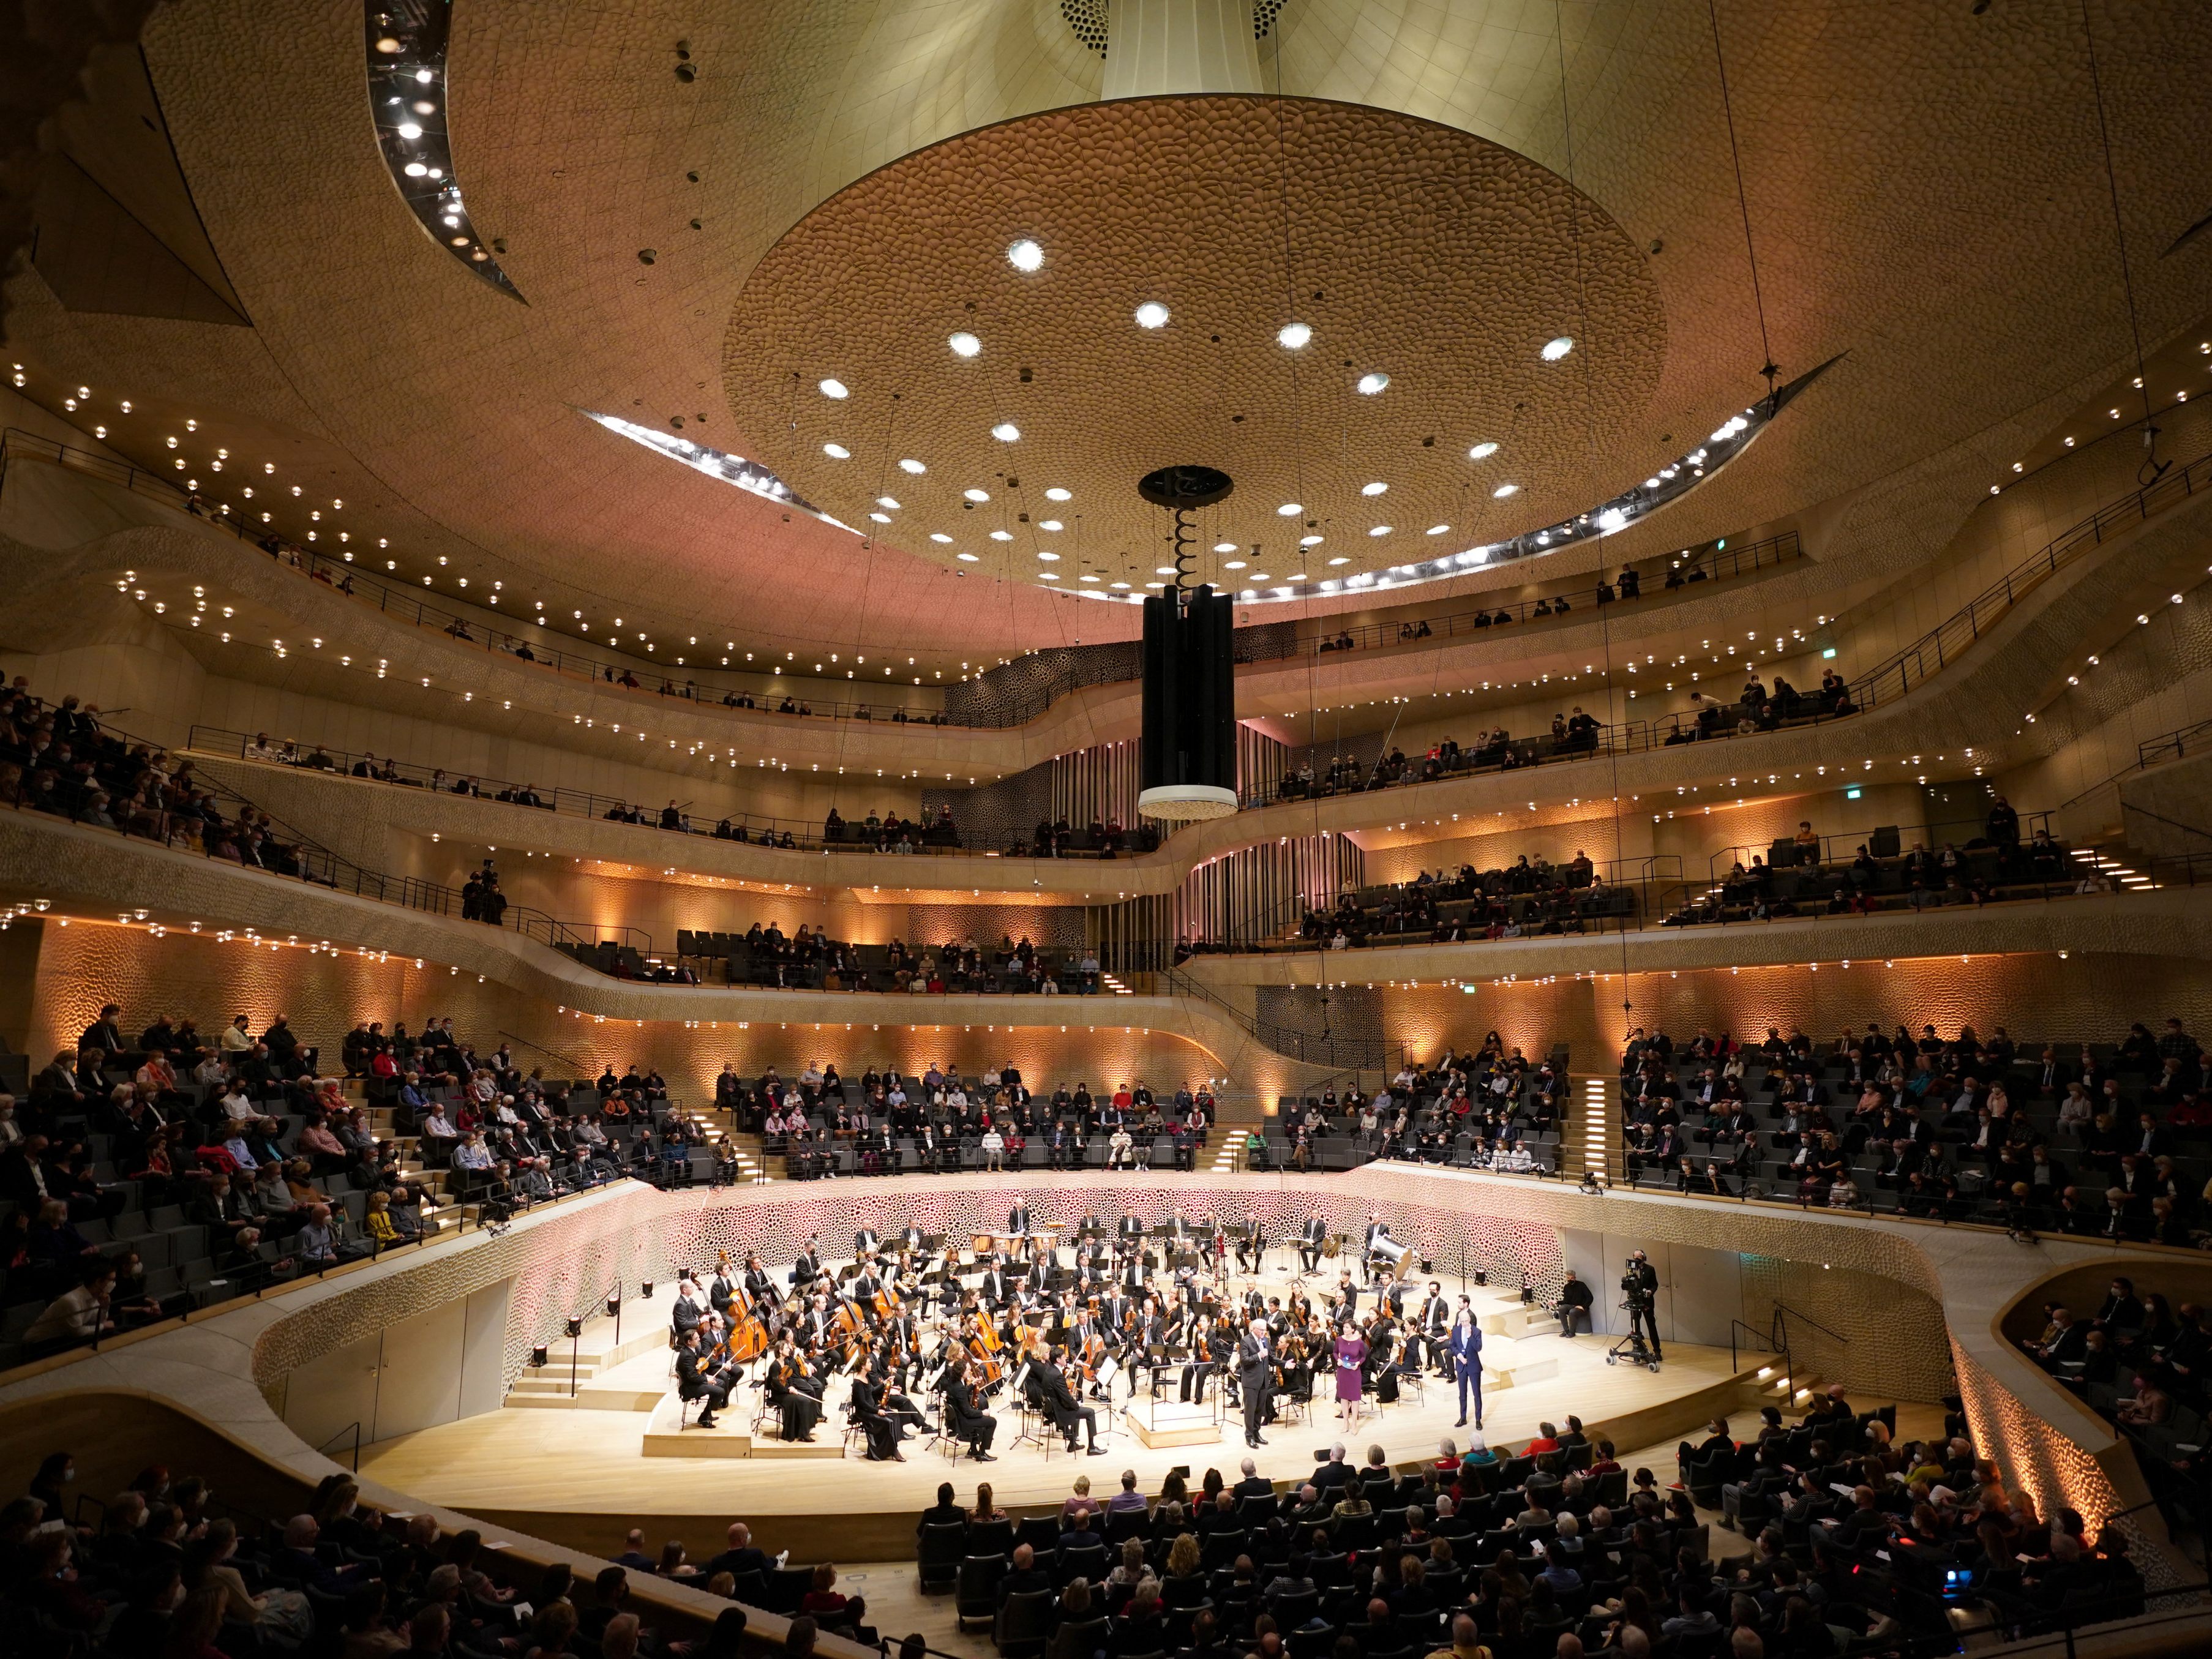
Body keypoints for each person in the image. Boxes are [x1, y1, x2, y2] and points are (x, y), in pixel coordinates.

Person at [1448, 1300, 1483, 1429]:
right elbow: (1453, 1346)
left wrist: (1470, 1337)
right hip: (1461, 1365)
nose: (1464, 1324)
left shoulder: (1476, 1331)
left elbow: (1478, 1348)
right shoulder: (1456, 1330)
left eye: (1466, 1321)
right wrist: (1459, 1356)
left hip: (1473, 1366)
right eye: (1462, 1321)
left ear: (1470, 1320)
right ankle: (1463, 1418)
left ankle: (1478, 1420)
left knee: (1476, 1394)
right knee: (1462, 1394)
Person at [1239, 1316, 1273, 1448]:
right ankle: (1249, 1436)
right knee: (1250, 1410)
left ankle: (1256, 1432)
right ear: (1254, 1329)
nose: (1264, 1332)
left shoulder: (1266, 1340)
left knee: (1259, 1409)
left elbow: (1271, 1358)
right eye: (1261, 1330)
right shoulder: (1245, 1341)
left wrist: (1284, 1363)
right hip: (1251, 1382)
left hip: (1263, 1380)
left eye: (1265, 1330)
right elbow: (1244, 1361)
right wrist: (1259, 1356)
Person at [1333, 1319, 1368, 1430]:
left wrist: (1358, 1363)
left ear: (1353, 1329)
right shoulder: (1339, 1340)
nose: (1345, 1329)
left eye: (1347, 1327)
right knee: (1343, 1397)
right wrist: (1338, 1360)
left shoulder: (1359, 1342)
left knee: (1355, 1398)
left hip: (1354, 1372)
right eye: (1344, 1327)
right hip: (1342, 1371)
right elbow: (1335, 1352)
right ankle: (1346, 1422)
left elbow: (1363, 1356)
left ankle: (1354, 1424)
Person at [1556, 1270, 1594, 1338]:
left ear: (1575, 1277)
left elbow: (1590, 1297)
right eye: (1568, 1278)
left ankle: (1572, 1332)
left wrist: (1583, 1306)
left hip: (1581, 1307)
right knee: (1561, 1309)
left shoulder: (1581, 1285)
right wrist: (1557, 1302)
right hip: (1571, 1305)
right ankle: (1566, 1331)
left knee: (1572, 1312)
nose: (1570, 1280)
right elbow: (1566, 1301)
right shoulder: (1566, 1287)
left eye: (1572, 1278)